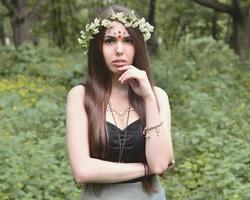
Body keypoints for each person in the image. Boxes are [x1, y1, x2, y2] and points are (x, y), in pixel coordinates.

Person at [66, 4, 174, 200]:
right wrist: (144, 168)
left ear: (138, 46)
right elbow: (82, 171)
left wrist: (148, 97)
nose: (119, 50)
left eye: (127, 40)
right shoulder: (80, 96)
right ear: (97, 47)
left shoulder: (158, 96)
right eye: (109, 41)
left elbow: (158, 164)